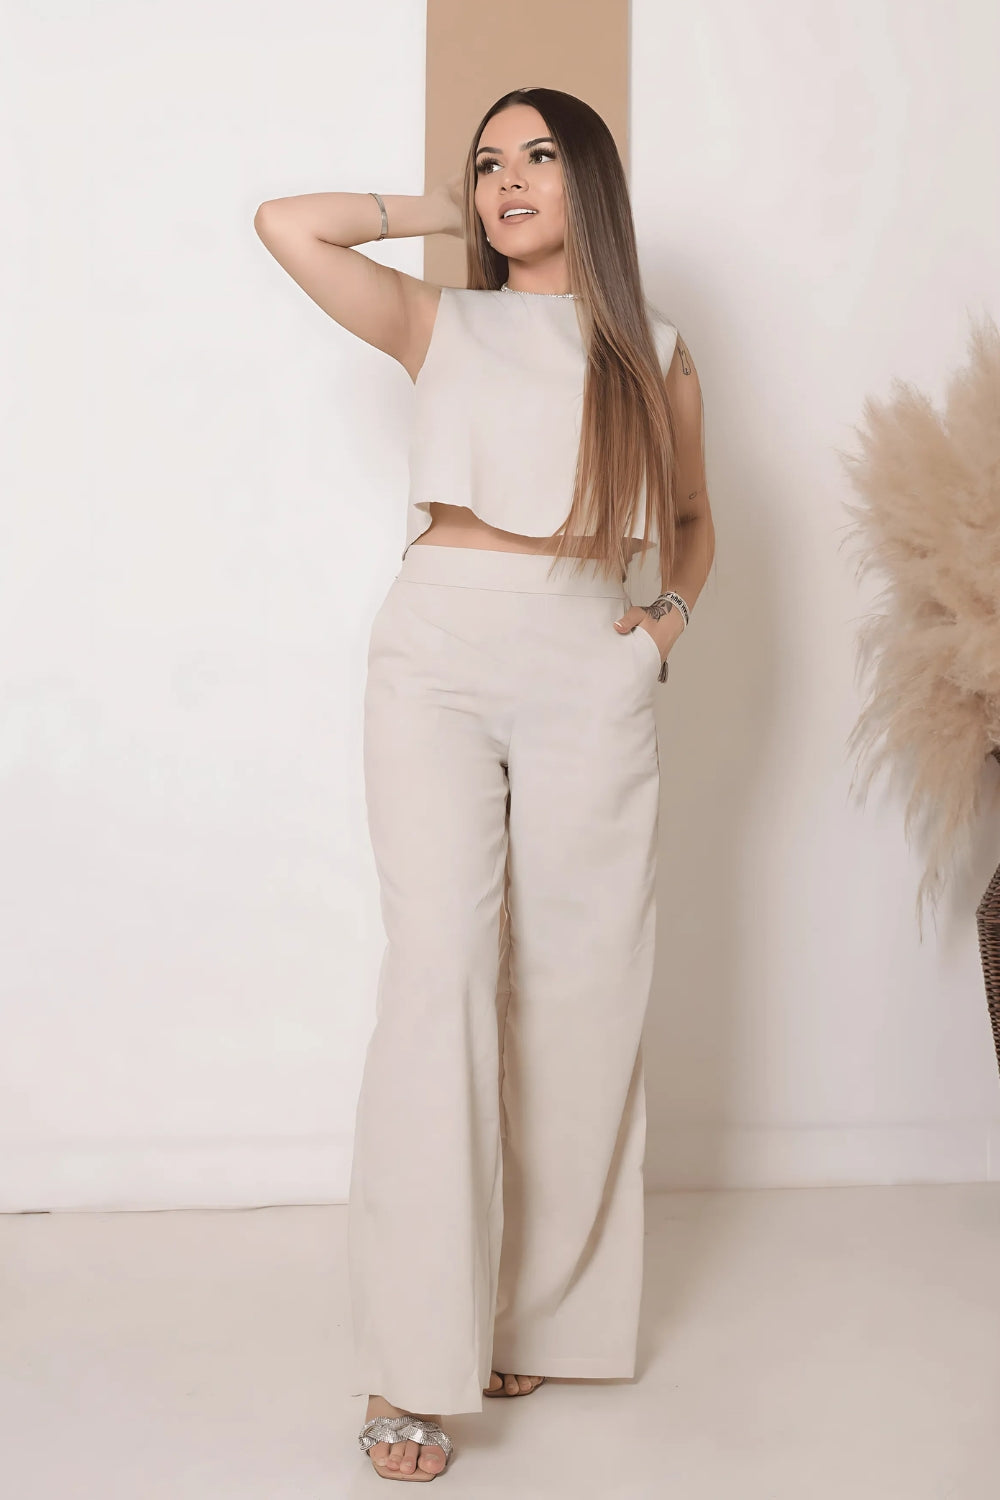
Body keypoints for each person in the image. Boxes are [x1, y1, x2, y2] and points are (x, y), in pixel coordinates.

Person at [254, 84, 715, 1482]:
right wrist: (443, 212)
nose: (509, 179)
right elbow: (287, 225)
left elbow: (693, 522)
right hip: (439, 655)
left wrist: (659, 633)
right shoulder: (437, 318)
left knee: (582, 991)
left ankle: (530, 1321)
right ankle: (412, 1361)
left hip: (591, 658)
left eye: (539, 158)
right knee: (438, 977)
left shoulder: (655, 354)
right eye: (488, 162)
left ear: (594, 183)